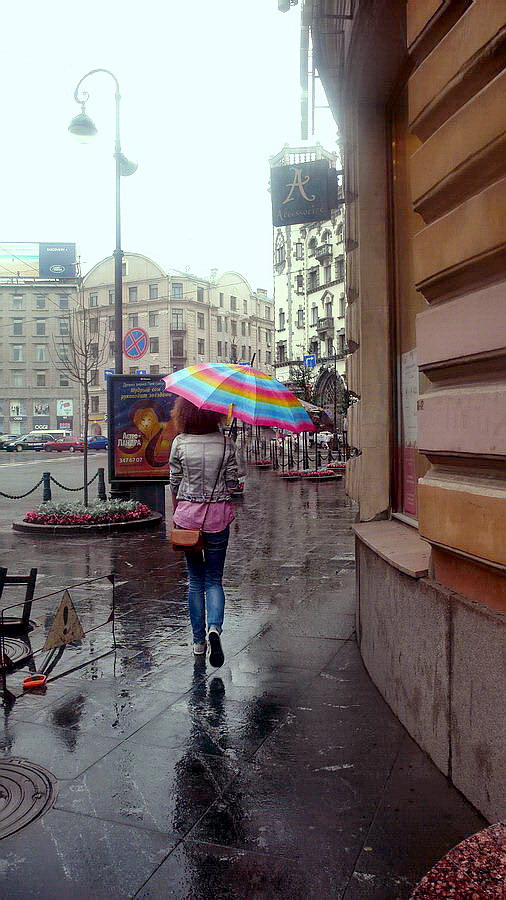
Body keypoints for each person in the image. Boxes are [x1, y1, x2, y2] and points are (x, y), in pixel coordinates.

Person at [169, 397, 240, 667]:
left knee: (195, 580)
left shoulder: (180, 443)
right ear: (215, 414)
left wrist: (178, 513)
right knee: (214, 579)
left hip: (188, 519)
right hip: (218, 518)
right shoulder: (226, 443)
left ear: (184, 414)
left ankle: (198, 642)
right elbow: (232, 483)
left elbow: (174, 482)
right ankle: (215, 628)